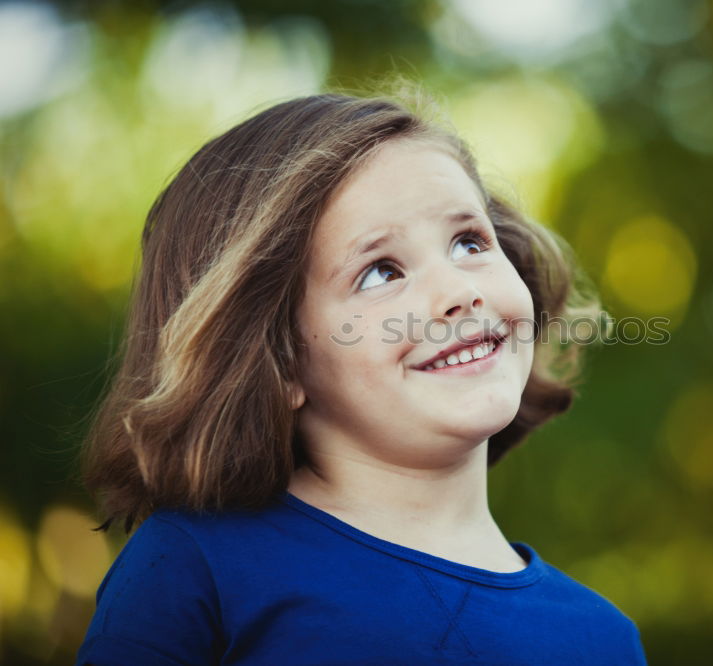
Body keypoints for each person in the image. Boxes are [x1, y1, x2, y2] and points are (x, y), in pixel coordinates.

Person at [74, 89, 647, 665]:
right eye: (380, 272)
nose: (458, 292)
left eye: (469, 242)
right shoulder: (197, 567)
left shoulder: (603, 639)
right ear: (278, 359)